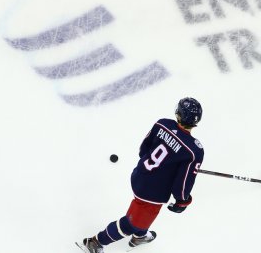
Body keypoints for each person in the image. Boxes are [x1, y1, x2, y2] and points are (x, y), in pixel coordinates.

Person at [79, 97, 204, 253]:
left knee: (145, 215)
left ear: (178, 113)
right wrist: (182, 201)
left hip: (139, 175)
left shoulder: (162, 124)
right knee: (130, 224)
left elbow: (143, 149)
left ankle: (140, 236)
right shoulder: (194, 151)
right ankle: (95, 242)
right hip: (152, 193)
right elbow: (183, 183)